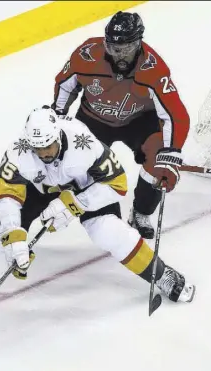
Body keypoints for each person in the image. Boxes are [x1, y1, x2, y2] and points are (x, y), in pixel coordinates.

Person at [0, 107, 195, 320]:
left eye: (49, 146)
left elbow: (117, 185)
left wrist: (74, 203)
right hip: (36, 190)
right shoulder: (18, 152)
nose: (45, 153)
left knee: (108, 231)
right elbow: (6, 196)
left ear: (59, 136)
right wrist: (14, 235)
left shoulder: (84, 143)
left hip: (84, 188)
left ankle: (163, 275)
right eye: (38, 149)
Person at [51, 11, 190, 239]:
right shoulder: (86, 55)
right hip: (93, 120)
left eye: (126, 48)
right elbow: (65, 85)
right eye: (114, 48)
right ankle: (107, 218)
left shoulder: (153, 69)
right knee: (80, 165)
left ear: (138, 43)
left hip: (139, 121)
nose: (119, 55)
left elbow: (176, 115)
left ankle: (140, 212)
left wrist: (171, 152)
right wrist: (57, 116)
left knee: (158, 157)